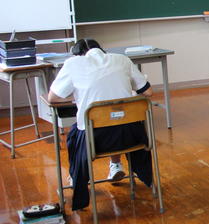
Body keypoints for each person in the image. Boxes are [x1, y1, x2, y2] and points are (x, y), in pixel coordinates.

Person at [48, 39, 155, 211]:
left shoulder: (73, 64)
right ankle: (116, 165)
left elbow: (52, 98)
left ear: (78, 55)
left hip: (95, 141)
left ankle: (77, 177)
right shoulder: (122, 59)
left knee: (75, 133)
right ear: (102, 49)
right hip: (132, 137)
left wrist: (78, 97)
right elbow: (148, 92)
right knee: (114, 118)